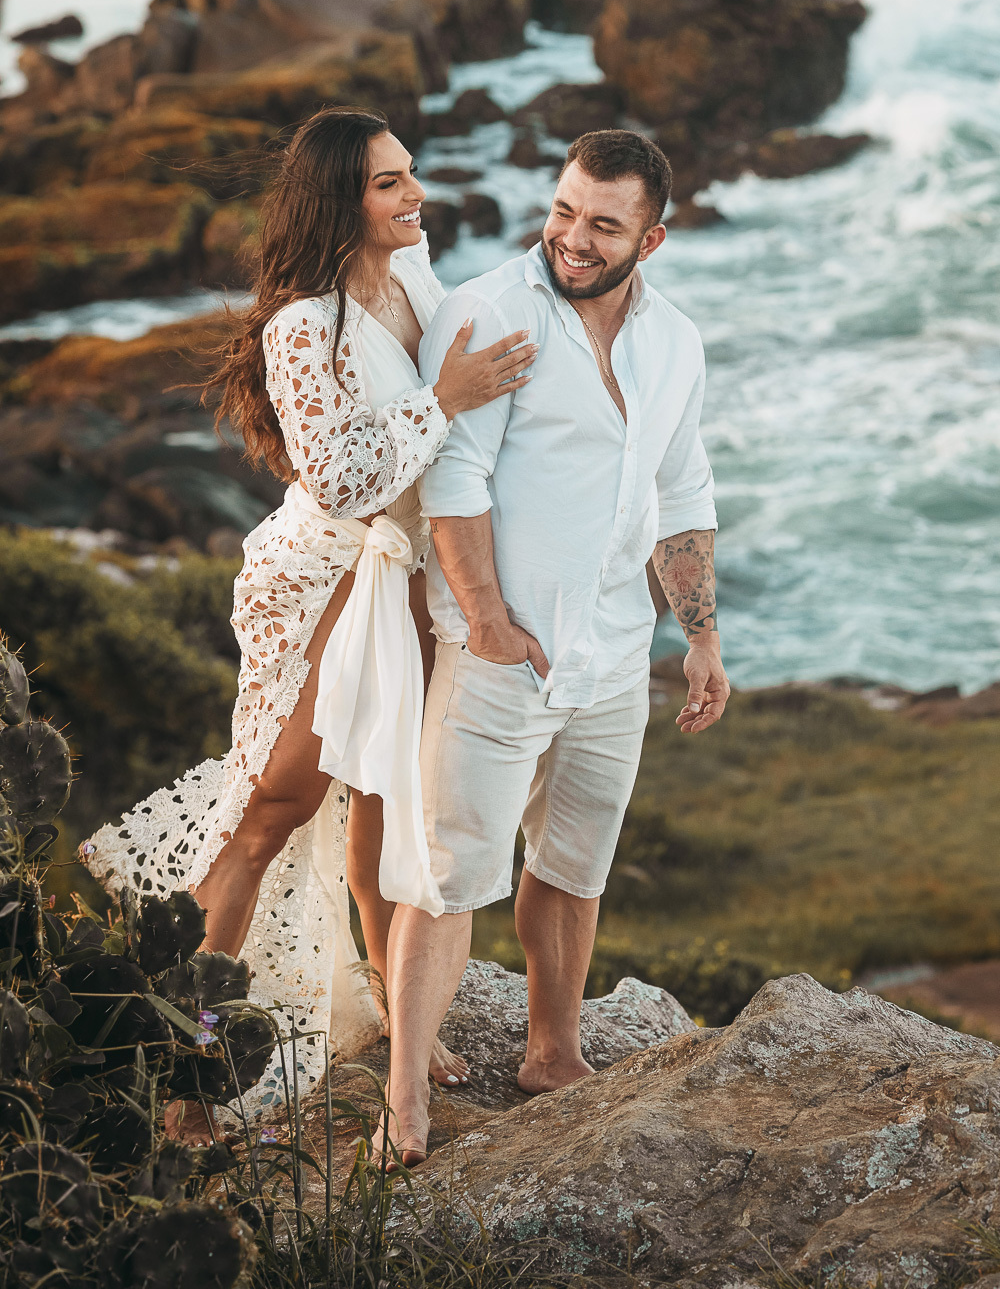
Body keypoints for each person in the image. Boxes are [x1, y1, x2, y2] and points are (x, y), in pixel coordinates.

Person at [82, 107, 537, 1141]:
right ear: (342, 199)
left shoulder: (419, 280)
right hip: (326, 581)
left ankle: (388, 1014)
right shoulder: (302, 325)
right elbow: (336, 479)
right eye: (389, 183)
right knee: (265, 819)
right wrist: (446, 400)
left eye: (411, 173)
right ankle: (190, 1071)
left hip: (408, 580)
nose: (415, 193)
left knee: (382, 807)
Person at [380, 127, 730, 1167]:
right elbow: (452, 477)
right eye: (565, 210)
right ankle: (401, 1098)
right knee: (449, 877)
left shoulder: (676, 343)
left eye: (603, 224)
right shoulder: (486, 309)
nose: (571, 238)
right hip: (500, 655)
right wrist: (485, 619)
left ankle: (552, 1050)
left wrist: (699, 636)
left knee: (574, 866)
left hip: (618, 652)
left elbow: (682, 491)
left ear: (651, 237)